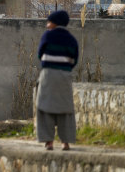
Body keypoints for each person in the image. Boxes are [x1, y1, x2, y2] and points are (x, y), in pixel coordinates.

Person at [36, 10, 79, 151]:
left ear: (55, 23)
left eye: (49, 22)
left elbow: (40, 54)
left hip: (48, 74)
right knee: (65, 109)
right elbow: (74, 60)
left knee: (45, 107)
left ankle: (49, 142)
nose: (47, 25)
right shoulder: (72, 39)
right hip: (64, 76)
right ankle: (65, 142)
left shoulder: (47, 35)